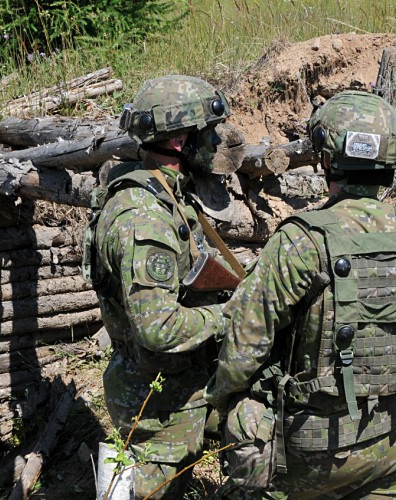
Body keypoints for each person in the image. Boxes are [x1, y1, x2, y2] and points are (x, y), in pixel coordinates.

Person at [205, 90, 396, 499]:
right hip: (389, 446)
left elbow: (242, 350)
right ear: (393, 160)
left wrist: (220, 405)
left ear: (326, 159)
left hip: (302, 457)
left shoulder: (301, 242)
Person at [84, 74, 238, 499]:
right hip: (155, 407)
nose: (217, 142)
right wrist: (231, 315)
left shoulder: (164, 194)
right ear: (178, 142)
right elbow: (157, 327)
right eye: (208, 133)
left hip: (174, 395)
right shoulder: (144, 217)